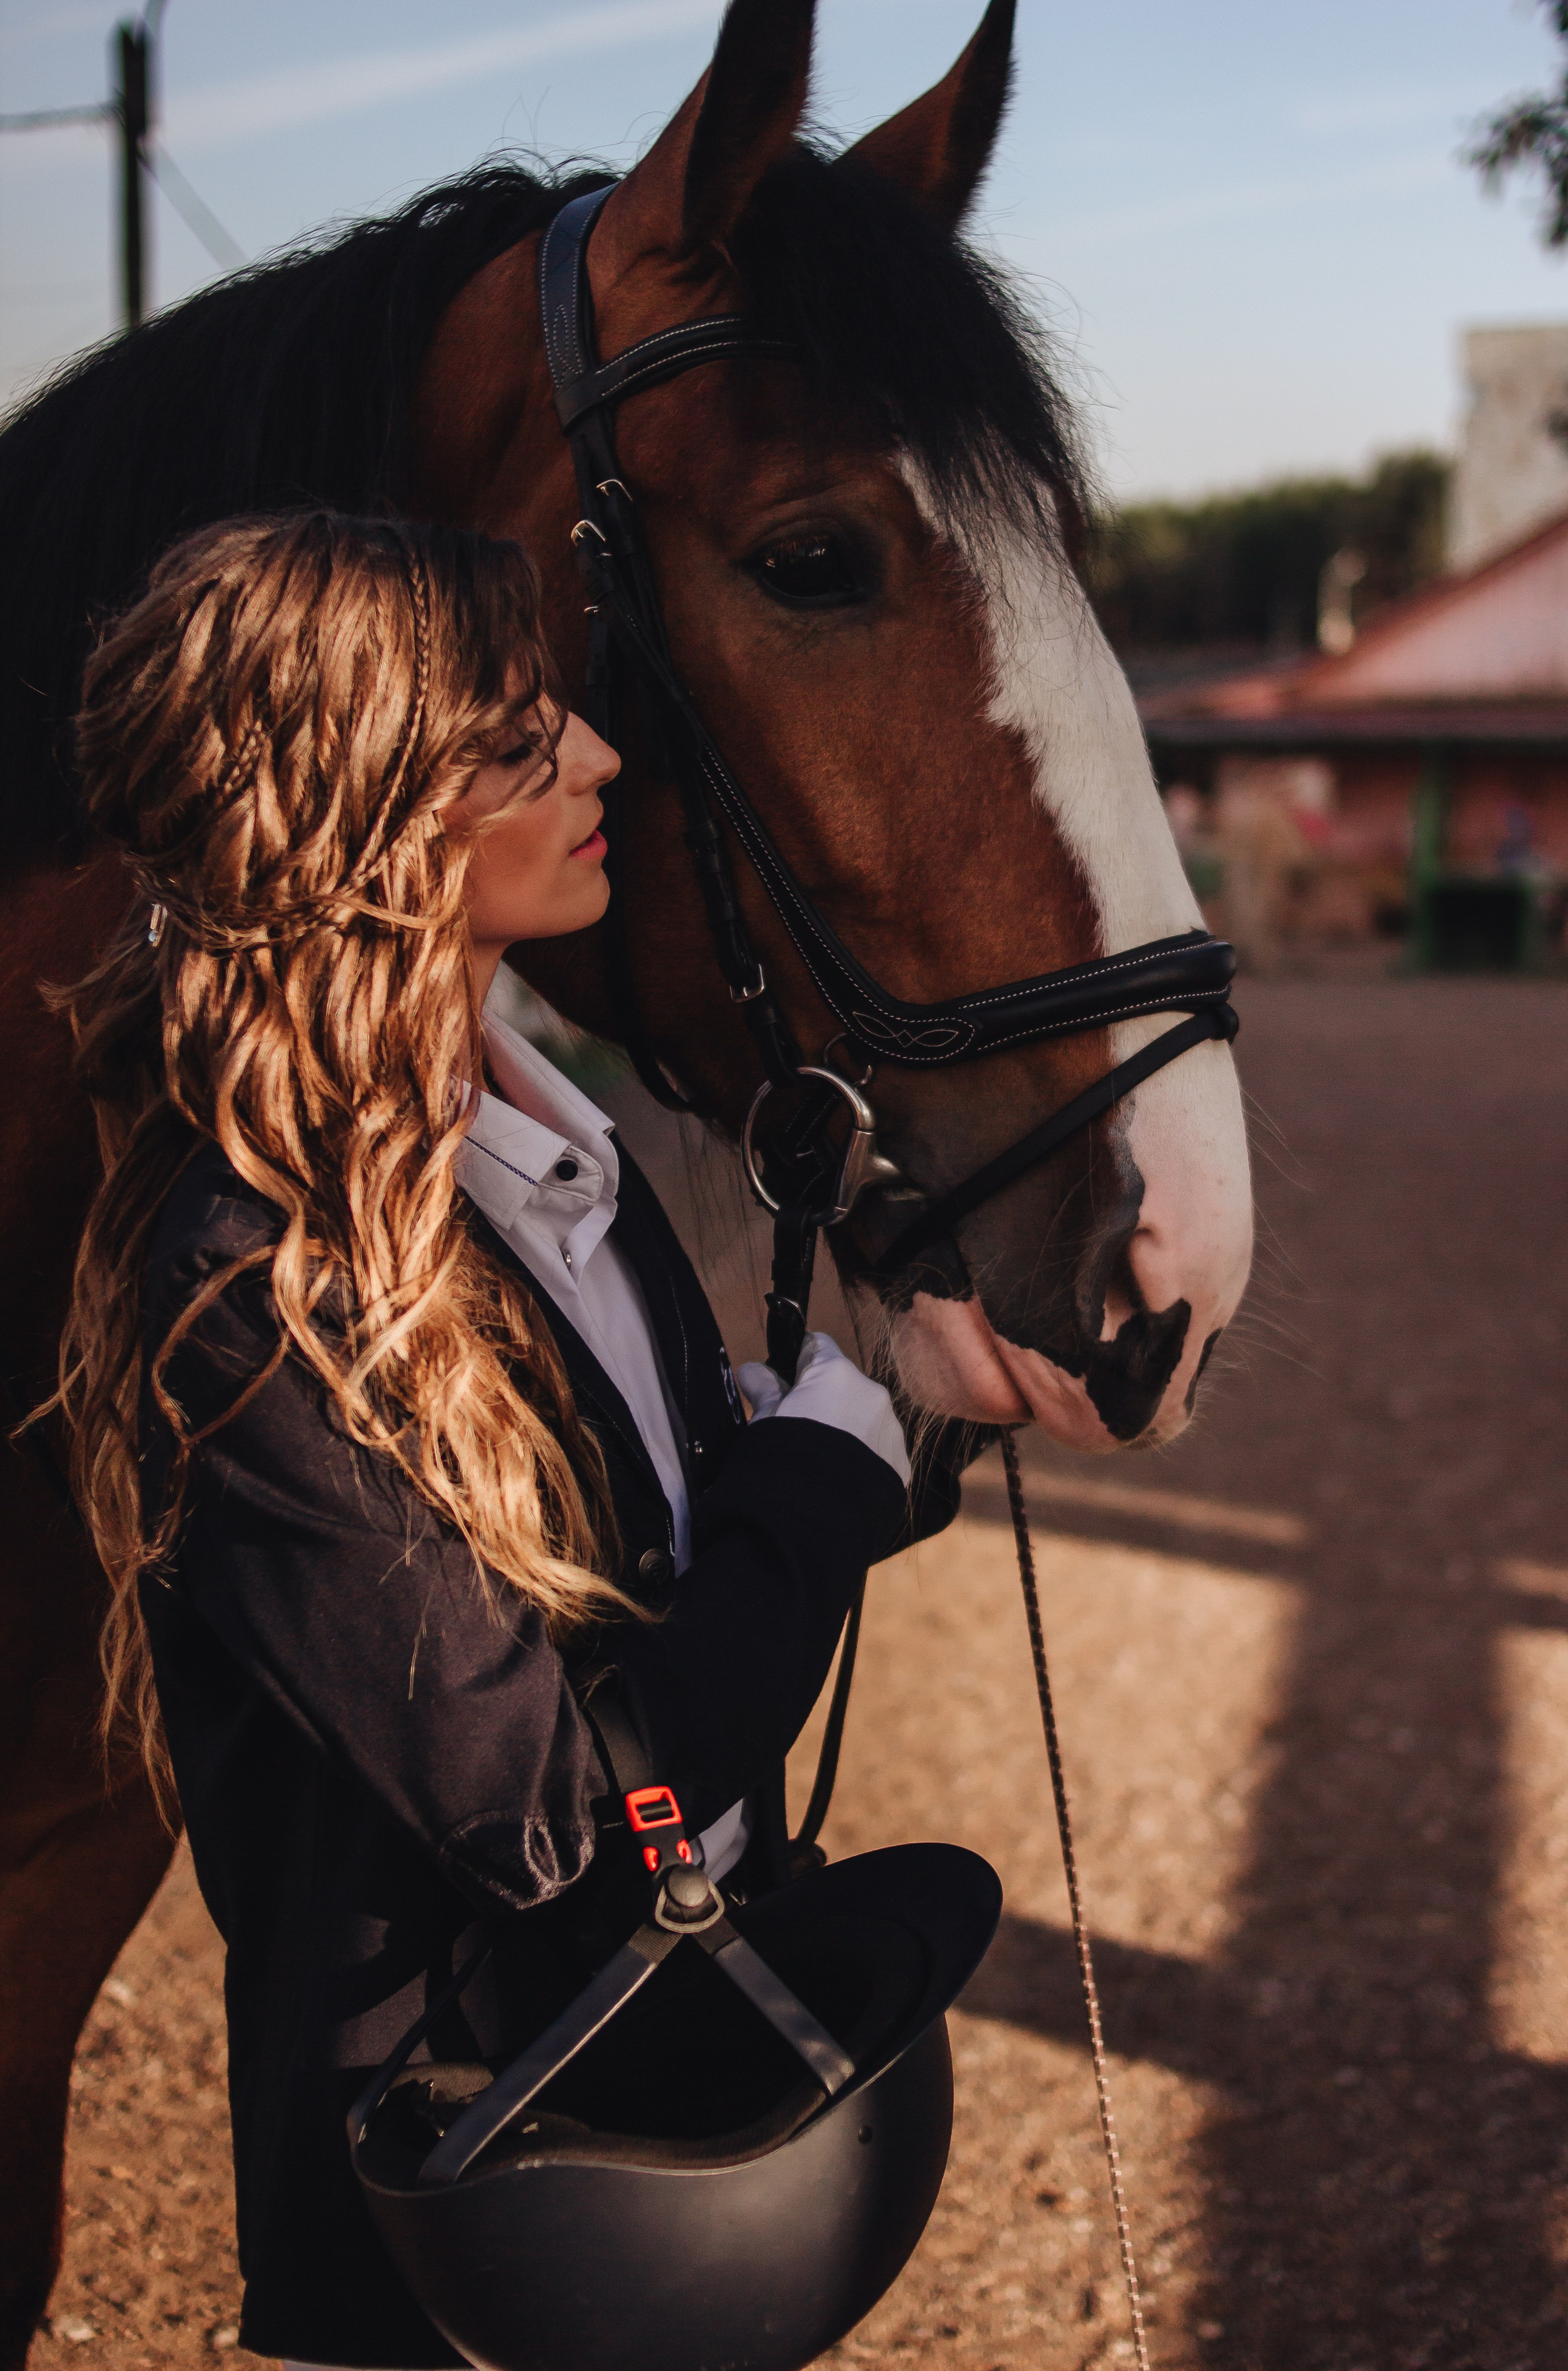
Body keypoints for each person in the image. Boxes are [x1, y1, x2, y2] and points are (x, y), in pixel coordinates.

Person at [55, 512, 967, 2370]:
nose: (601, 760)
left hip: (680, 2110)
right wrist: (835, 1448)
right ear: (353, 818)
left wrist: (901, 1403)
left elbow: (692, 1546)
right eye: (519, 741)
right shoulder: (247, 1298)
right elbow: (566, 1811)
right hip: (458, 2222)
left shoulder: (553, 1156)